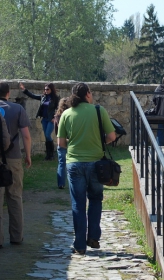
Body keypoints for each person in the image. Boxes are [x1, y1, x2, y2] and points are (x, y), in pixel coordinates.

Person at [57, 82, 116, 255]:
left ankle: (79, 244)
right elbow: (111, 136)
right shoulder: (99, 111)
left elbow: (61, 143)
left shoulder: (66, 114)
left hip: (74, 163)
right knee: (96, 199)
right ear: (88, 94)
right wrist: (99, 141)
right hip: (96, 163)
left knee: (78, 203)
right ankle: (94, 236)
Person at [0, 82, 31, 248]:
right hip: (13, 158)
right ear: (8, 93)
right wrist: (28, 155)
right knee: (15, 196)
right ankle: (16, 236)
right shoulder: (17, 109)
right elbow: (26, 135)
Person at [19, 82, 59, 160]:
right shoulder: (43, 97)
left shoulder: (55, 98)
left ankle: (52, 153)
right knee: (46, 137)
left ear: (51, 89)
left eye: (47, 89)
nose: (46, 91)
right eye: (45, 89)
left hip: (51, 119)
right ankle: (48, 155)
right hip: (44, 119)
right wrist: (24, 90)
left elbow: (59, 109)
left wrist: (55, 117)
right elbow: (33, 96)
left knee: (48, 135)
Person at [54, 97, 69, 190]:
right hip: (71, 140)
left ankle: (61, 183)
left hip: (61, 140)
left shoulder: (57, 116)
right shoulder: (71, 115)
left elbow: (56, 130)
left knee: (62, 163)